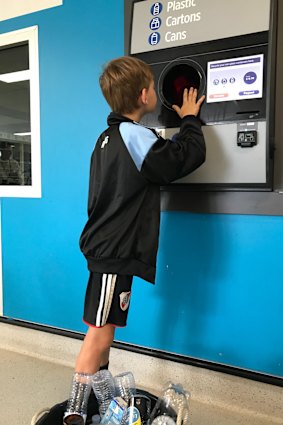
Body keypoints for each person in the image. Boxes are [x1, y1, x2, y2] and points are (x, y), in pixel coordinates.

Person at [63, 56, 206, 425]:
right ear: (145, 95)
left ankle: (101, 403)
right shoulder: (134, 135)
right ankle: (74, 413)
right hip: (114, 252)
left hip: (108, 249)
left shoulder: (106, 138)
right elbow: (181, 158)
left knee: (105, 329)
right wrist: (189, 117)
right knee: (98, 332)